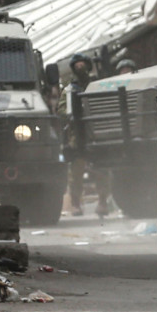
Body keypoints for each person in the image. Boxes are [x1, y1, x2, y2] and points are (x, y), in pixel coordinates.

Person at [64, 56, 98, 218]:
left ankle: (103, 201)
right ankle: (76, 203)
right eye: (77, 65)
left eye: (82, 64)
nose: (80, 67)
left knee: (102, 168)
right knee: (76, 172)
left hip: (95, 130)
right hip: (77, 133)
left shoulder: (96, 85)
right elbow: (63, 110)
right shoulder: (70, 89)